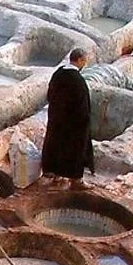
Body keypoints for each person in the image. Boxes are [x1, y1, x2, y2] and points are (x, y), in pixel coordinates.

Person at [42, 48, 94, 183]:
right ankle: (75, 179)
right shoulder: (77, 80)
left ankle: (55, 173)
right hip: (73, 124)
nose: (85, 64)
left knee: (56, 146)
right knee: (74, 150)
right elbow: (82, 105)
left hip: (56, 120)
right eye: (84, 61)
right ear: (80, 60)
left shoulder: (58, 74)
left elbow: (50, 95)